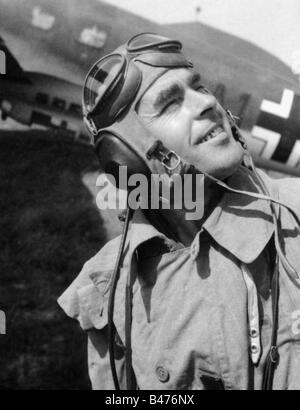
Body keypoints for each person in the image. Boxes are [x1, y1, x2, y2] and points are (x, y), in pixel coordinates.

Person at [58, 33, 300, 390]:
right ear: (129, 160)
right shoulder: (109, 287)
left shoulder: (293, 214)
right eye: (170, 104)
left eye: (198, 87)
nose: (205, 104)